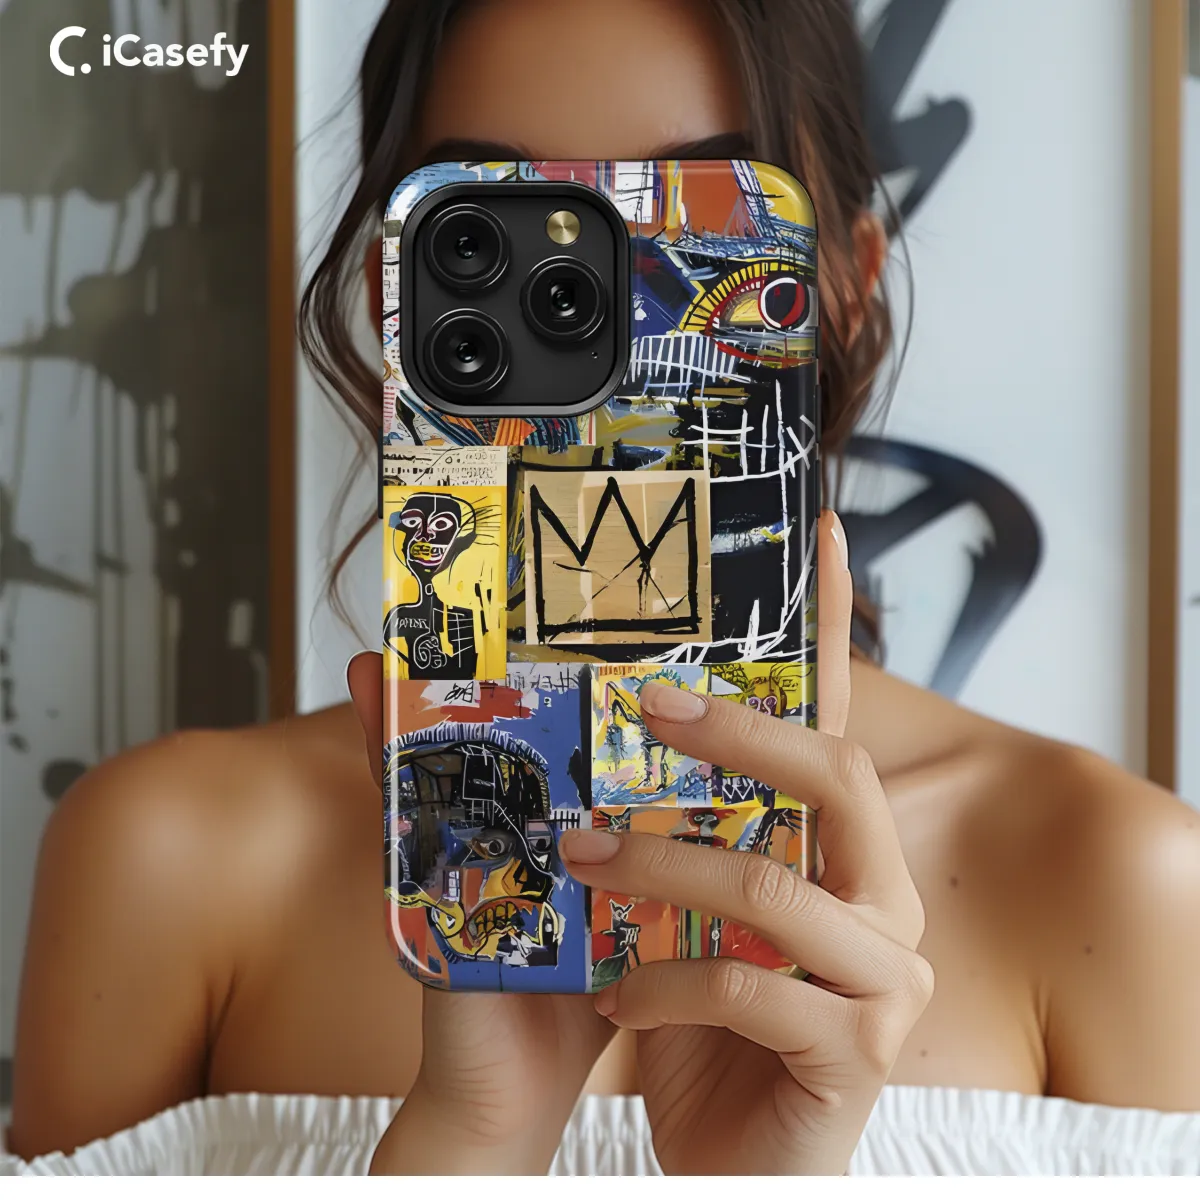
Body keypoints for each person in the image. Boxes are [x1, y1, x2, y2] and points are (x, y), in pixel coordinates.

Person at [7, 0, 1200, 1177]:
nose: (607, 311)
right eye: (492, 230)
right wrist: (475, 1141)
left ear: (843, 284)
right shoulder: (169, 862)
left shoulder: (1117, 882)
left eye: (698, 214)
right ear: (394, 295)